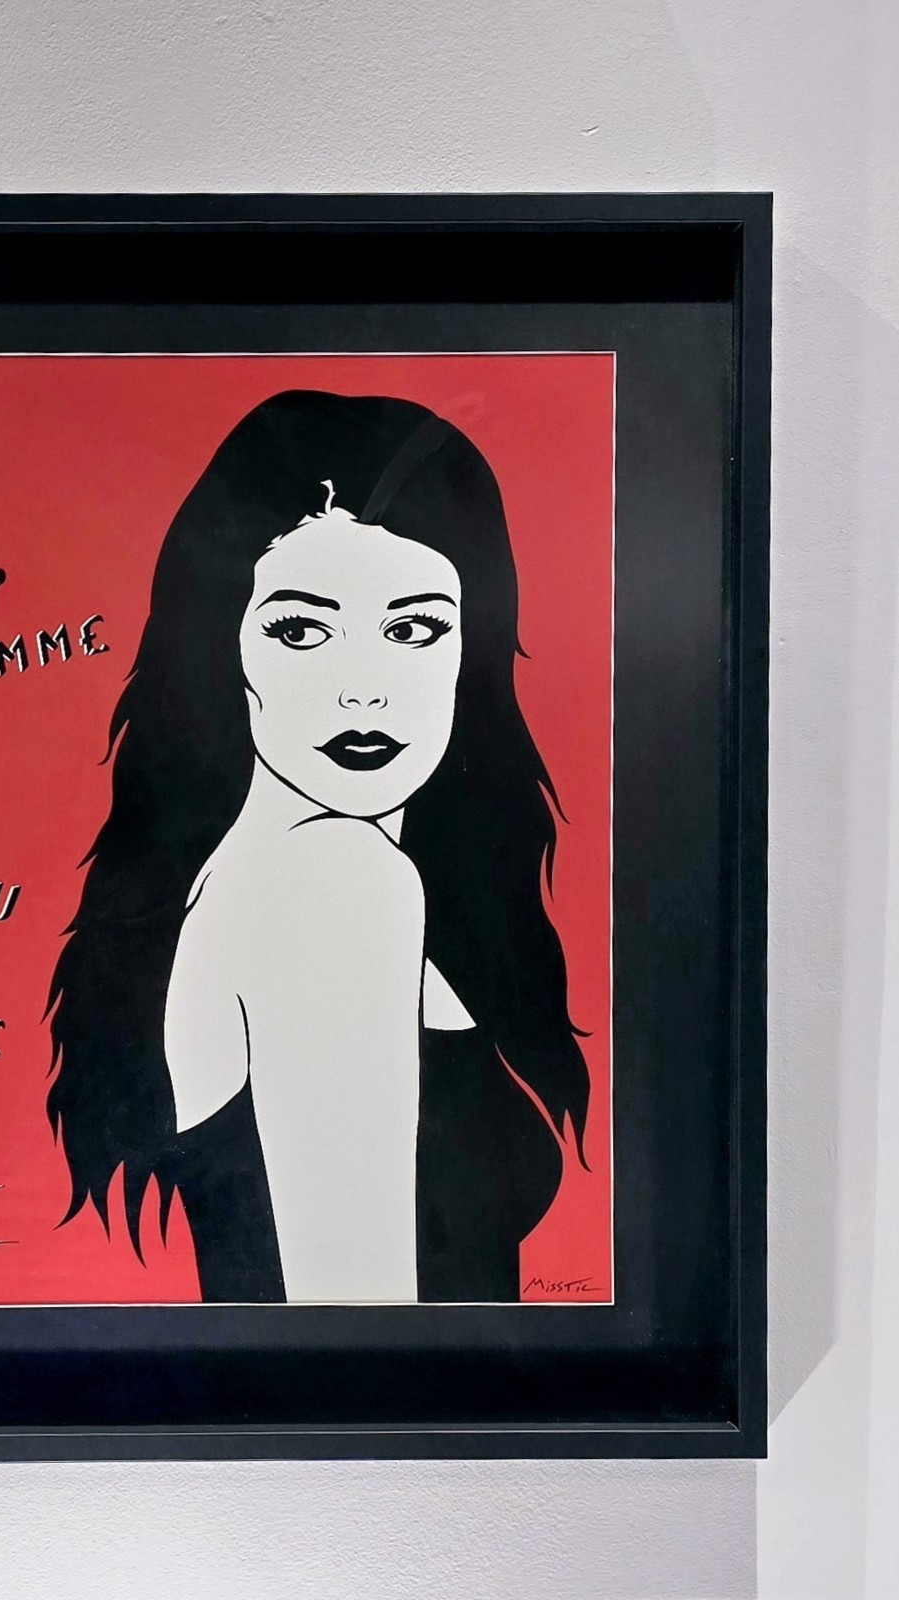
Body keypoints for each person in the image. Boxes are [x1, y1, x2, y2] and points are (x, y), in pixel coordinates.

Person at [45, 389, 589, 1303]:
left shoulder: (255, 878)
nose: (360, 690)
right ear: (224, 645)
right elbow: (367, 1331)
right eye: (301, 630)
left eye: (412, 629)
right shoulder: (331, 878)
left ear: (470, 649)